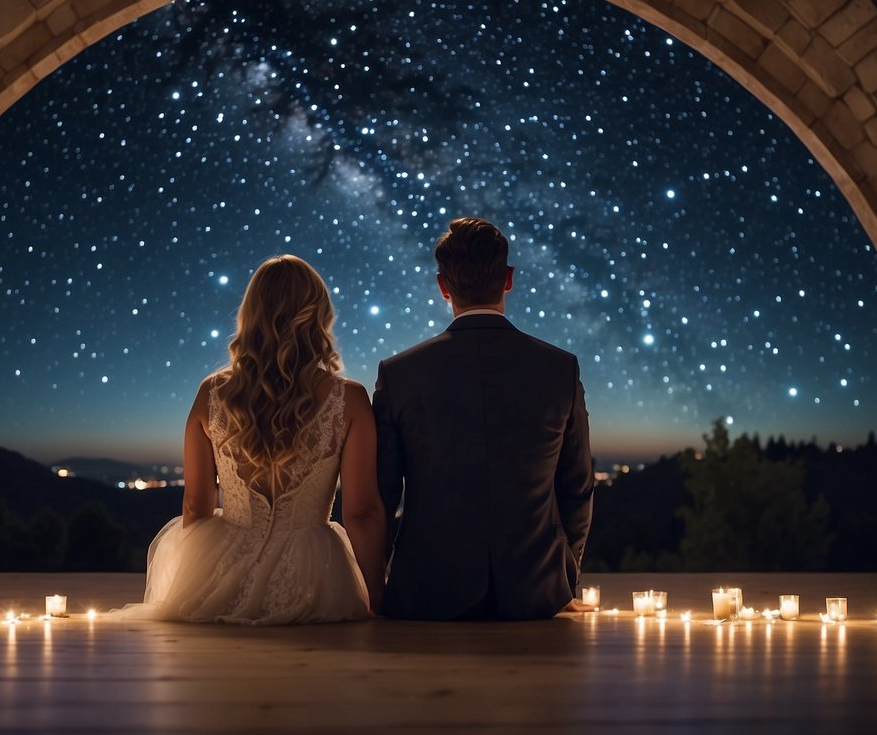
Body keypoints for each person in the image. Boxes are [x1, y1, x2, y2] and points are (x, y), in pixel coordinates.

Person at [115, 255, 386, 624]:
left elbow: (195, 507)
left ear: (250, 315)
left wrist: (196, 580)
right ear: (319, 315)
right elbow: (362, 512)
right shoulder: (348, 399)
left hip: (224, 572)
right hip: (315, 578)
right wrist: (376, 596)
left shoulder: (211, 393)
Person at [373, 217, 594, 620]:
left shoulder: (399, 374)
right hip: (538, 595)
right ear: (508, 279)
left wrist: (375, 587)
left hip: (425, 597)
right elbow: (577, 487)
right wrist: (563, 576)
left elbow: (382, 496)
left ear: (443, 286)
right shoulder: (560, 368)